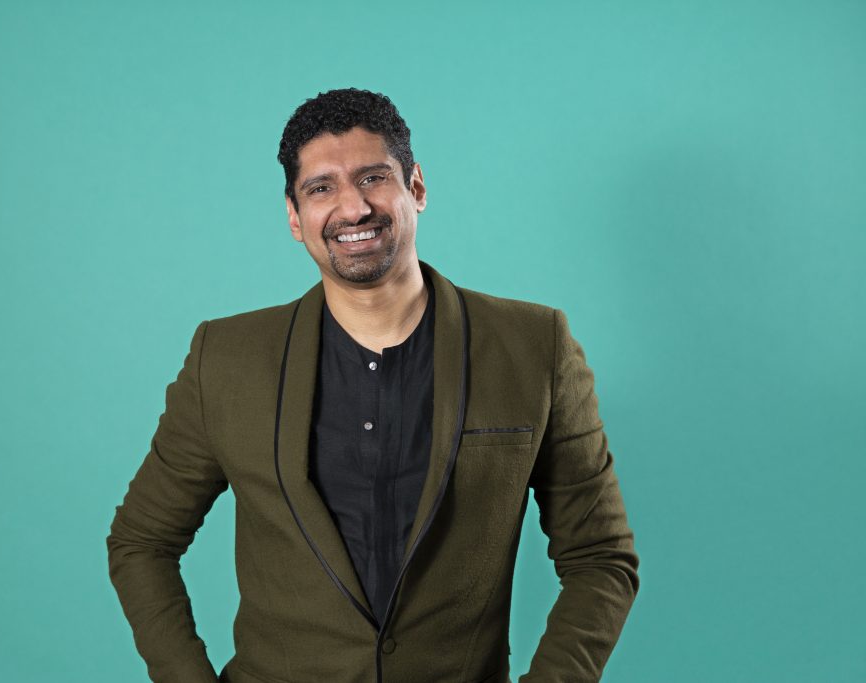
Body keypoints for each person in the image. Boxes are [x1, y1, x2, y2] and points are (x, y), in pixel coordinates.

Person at [107, 88, 640, 683]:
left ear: (416, 187)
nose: (354, 208)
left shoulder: (534, 346)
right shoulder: (226, 358)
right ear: (294, 217)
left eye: (372, 178)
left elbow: (600, 558)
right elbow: (141, 541)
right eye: (321, 188)